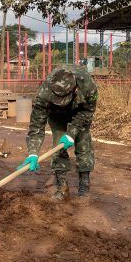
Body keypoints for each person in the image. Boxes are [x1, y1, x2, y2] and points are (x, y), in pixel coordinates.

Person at [18, 66, 98, 201]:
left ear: (75, 89)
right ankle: (62, 187)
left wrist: (72, 132)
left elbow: (88, 111)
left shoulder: (87, 84)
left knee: (83, 143)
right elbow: (36, 125)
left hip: (80, 111)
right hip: (56, 114)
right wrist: (33, 152)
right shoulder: (44, 93)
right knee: (58, 146)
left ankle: (84, 185)